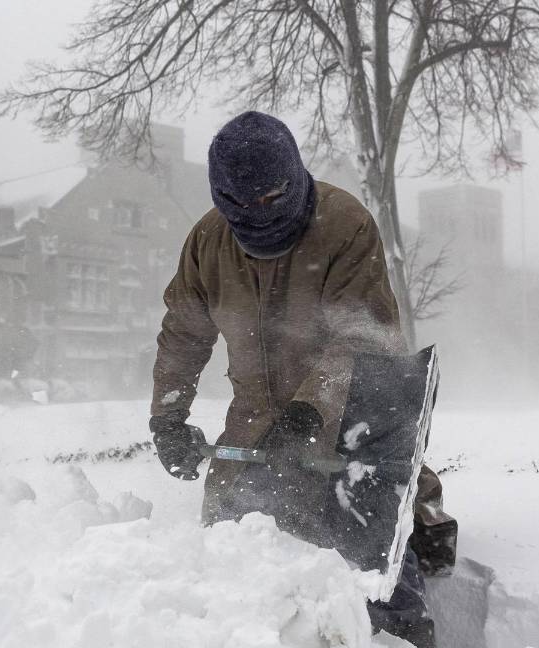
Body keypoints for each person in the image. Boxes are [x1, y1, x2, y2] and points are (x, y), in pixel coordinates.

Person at [148, 111, 453, 648]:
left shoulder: (344, 225)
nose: (258, 213)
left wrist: (310, 410)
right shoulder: (207, 243)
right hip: (253, 424)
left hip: (345, 415)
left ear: (294, 176)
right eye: (243, 205)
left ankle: (415, 537)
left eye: (271, 197)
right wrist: (167, 418)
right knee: (233, 553)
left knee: (372, 556)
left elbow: (366, 338)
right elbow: (184, 334)